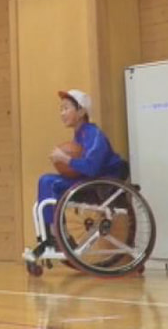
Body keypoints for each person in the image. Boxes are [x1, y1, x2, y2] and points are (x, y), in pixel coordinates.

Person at [33, 90, 127, 250]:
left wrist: (65, 159)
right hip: (89, 181)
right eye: (61, 109)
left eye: (66, 108)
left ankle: (55, 234)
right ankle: (51, 234)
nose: (62, 113)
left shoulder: (94, 134)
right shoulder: (80, 135)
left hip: (101, 184)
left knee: (48, 181)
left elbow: (92, 168)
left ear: (82, 111)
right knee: (46, 181)